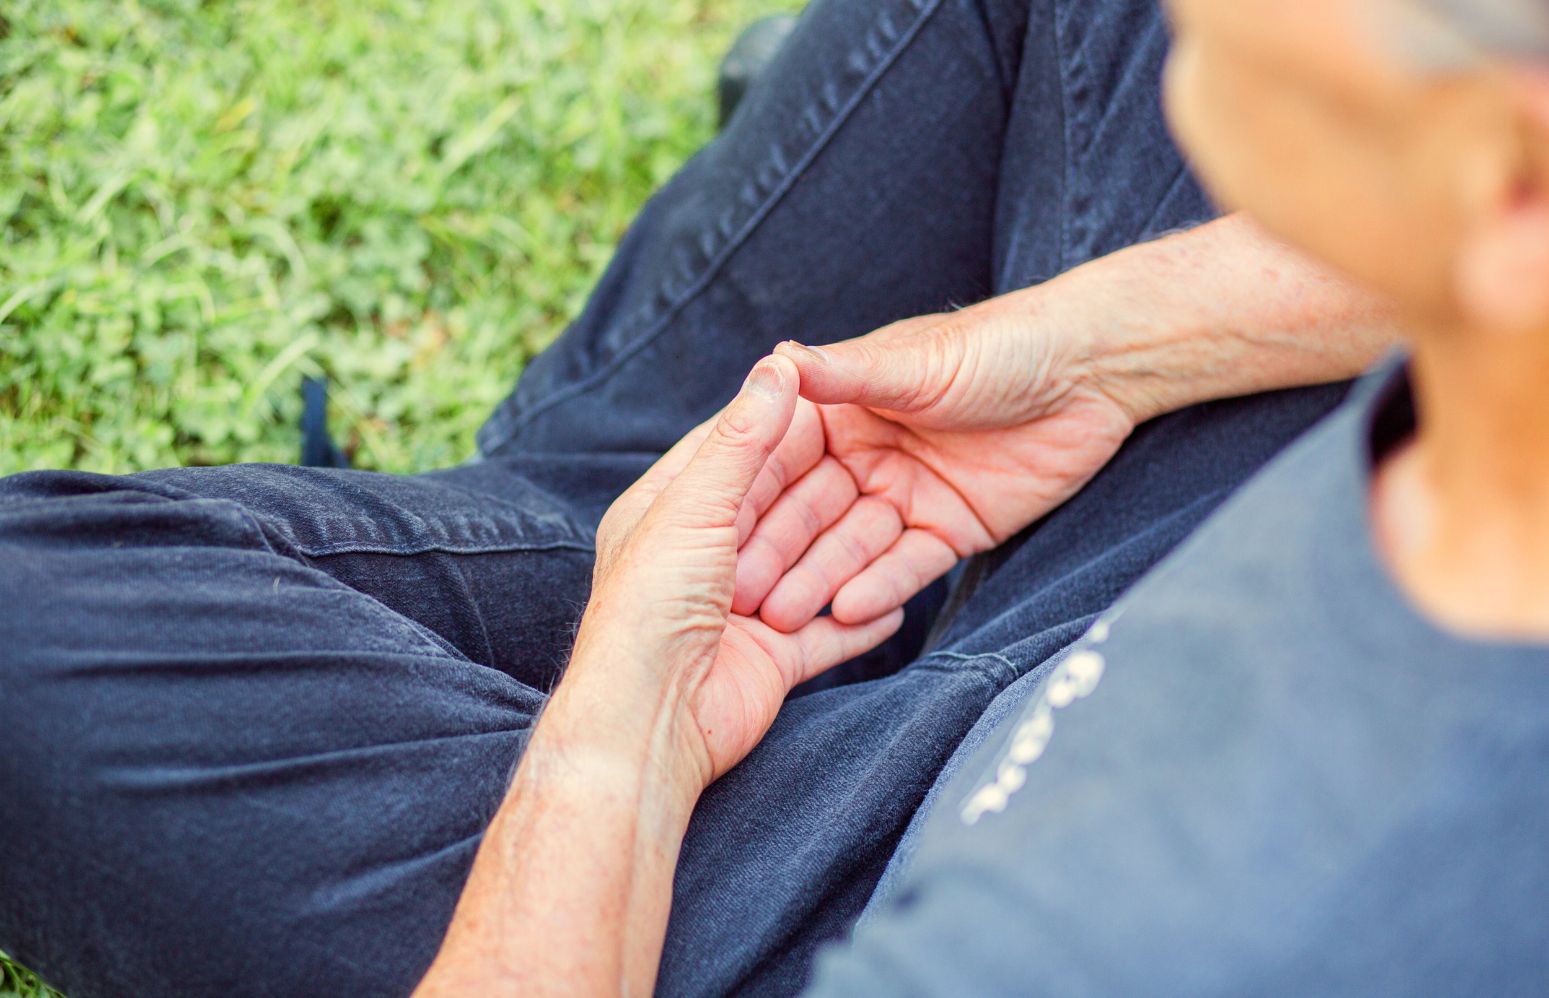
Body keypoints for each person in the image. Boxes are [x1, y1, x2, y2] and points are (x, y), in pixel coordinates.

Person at [1, 0, 1461, 994]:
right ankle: (630, 529)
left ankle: (656, 606)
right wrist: (1103, 345)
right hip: (1234, 494)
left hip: (861, 875)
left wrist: (616, 751)